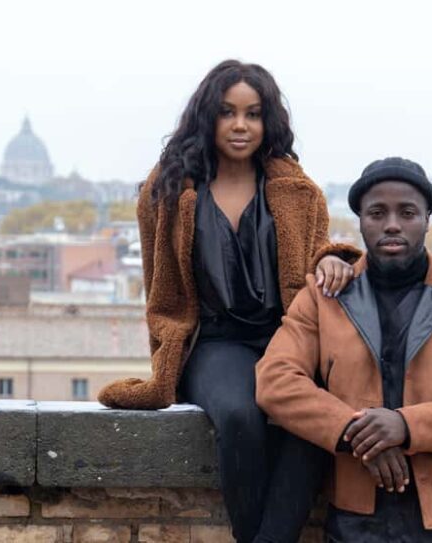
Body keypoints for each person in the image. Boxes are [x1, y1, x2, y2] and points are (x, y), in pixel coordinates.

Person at [98, 60, 361, 543]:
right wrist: (165, 348)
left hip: (287, 336)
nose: (241, 125)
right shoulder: (167, 192)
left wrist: (334, 260)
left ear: (269, 122)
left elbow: (315, 251)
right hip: (213, 341)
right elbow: (160, 286)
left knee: (315, 422)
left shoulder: (298, 191)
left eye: (254, 114)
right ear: (207, 117)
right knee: (241, 416)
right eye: (228, 112)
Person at [256, 157, 432, 542]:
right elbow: (275, 381)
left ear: (427, 218)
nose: (392, 224)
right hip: (357, 519)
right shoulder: (323, 299)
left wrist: (405, 426)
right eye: (377, 212)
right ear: (361, 221)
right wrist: (355, 432)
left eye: (407, 212)